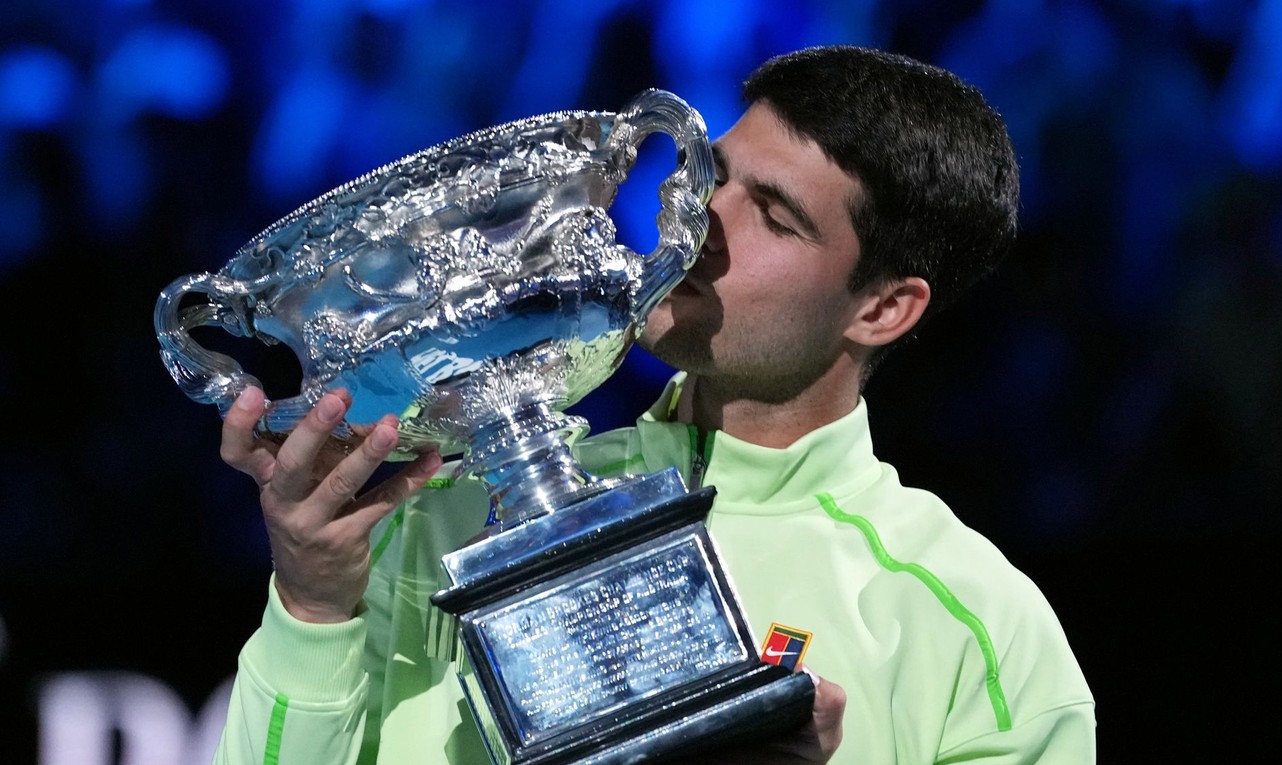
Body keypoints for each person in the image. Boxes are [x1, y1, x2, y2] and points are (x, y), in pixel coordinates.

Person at [211, 45, 1096, 764]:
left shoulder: (973, 624)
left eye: (776, 217)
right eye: (716, 174)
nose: (700, 215)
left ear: (883, 308)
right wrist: (313, 606)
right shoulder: (440, 517)